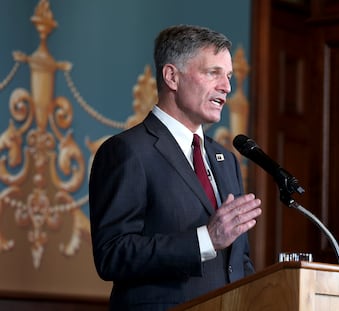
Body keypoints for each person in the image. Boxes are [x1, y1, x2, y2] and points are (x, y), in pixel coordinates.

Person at [89, 24, 262, 311]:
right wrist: (205, 239)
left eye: (229, 76)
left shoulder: (226, 159)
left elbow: (237, 261)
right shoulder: (128, 151)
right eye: (213, 73)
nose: (227, 87)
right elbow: (112, 254)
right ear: (172, 76)